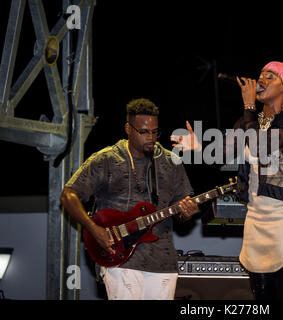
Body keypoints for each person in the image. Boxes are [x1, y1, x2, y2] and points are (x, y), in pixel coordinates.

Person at [173, 61, 283, 299]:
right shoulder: (249, 122)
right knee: (262, 294)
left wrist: (248, 105)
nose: (261, 80)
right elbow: (218, 155)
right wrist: (197, 147)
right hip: (257, 217)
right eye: (261, 75)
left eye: (270, 77)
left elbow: (260, 146)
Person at [60, 98, 199, 300]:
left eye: (154, 132)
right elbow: (68, 195)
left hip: (163, 261)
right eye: (144, 132)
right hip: (120, 259)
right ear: (128, 129)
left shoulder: (171, 160)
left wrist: (188, 211)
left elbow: (181, 210)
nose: (150, 137)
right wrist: (93, 228)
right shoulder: (107, 159)